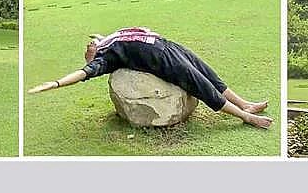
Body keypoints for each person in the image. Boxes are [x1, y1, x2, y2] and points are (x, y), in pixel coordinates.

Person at [28, 27, 273, 129]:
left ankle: (244, 103)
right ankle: (246, 117)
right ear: (92, 58)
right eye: (88, 49)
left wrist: (99, 39)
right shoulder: (106, 60)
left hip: (168, 45)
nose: (89, 45)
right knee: (201, 87)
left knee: (208, 73)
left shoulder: (107, 40)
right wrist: (57, 82)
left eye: (90, 44)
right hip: (163, 61)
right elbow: (83, 74)